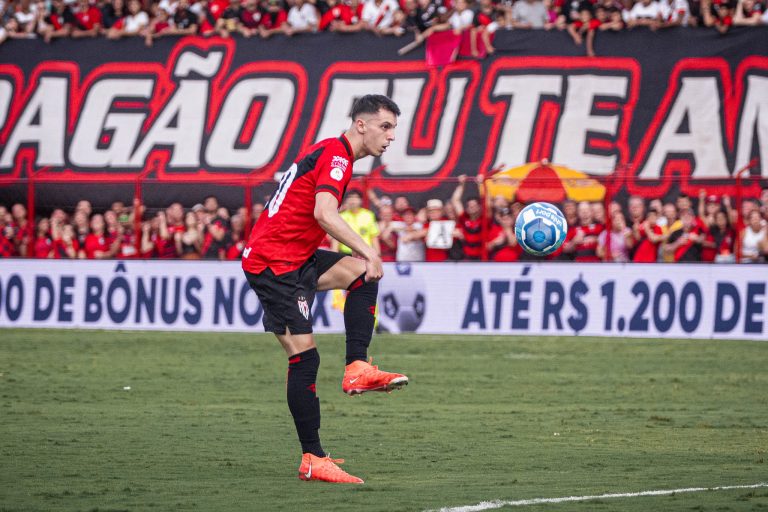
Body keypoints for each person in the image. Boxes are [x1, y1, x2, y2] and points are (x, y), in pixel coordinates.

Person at [241, 95, 408, 485]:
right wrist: (368, 248)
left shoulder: (334, 153)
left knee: (362, 275)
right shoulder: (336, 154)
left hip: (294, 256)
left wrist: (364, 257)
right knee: (305, 360)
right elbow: (323, 214)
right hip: (274, 264)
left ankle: (357, 368)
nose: (391, 137)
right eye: (385, 127)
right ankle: (313, 458)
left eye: (394, 129)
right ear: (361, 125)